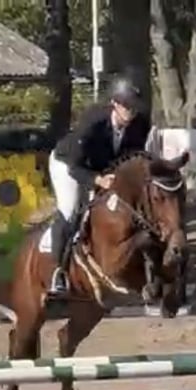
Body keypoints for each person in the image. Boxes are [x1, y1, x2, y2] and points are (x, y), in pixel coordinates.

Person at [46, 76, 152, 297]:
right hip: (68, 165)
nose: (131, 112)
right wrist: (97, 180)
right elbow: (75, 167)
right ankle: (58, 273)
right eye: (127, 106)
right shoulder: (92, 123)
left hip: (103, 168)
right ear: (114, 103)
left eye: (134, 107)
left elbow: (133, 158)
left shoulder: (140, 125)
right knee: (71, 209)